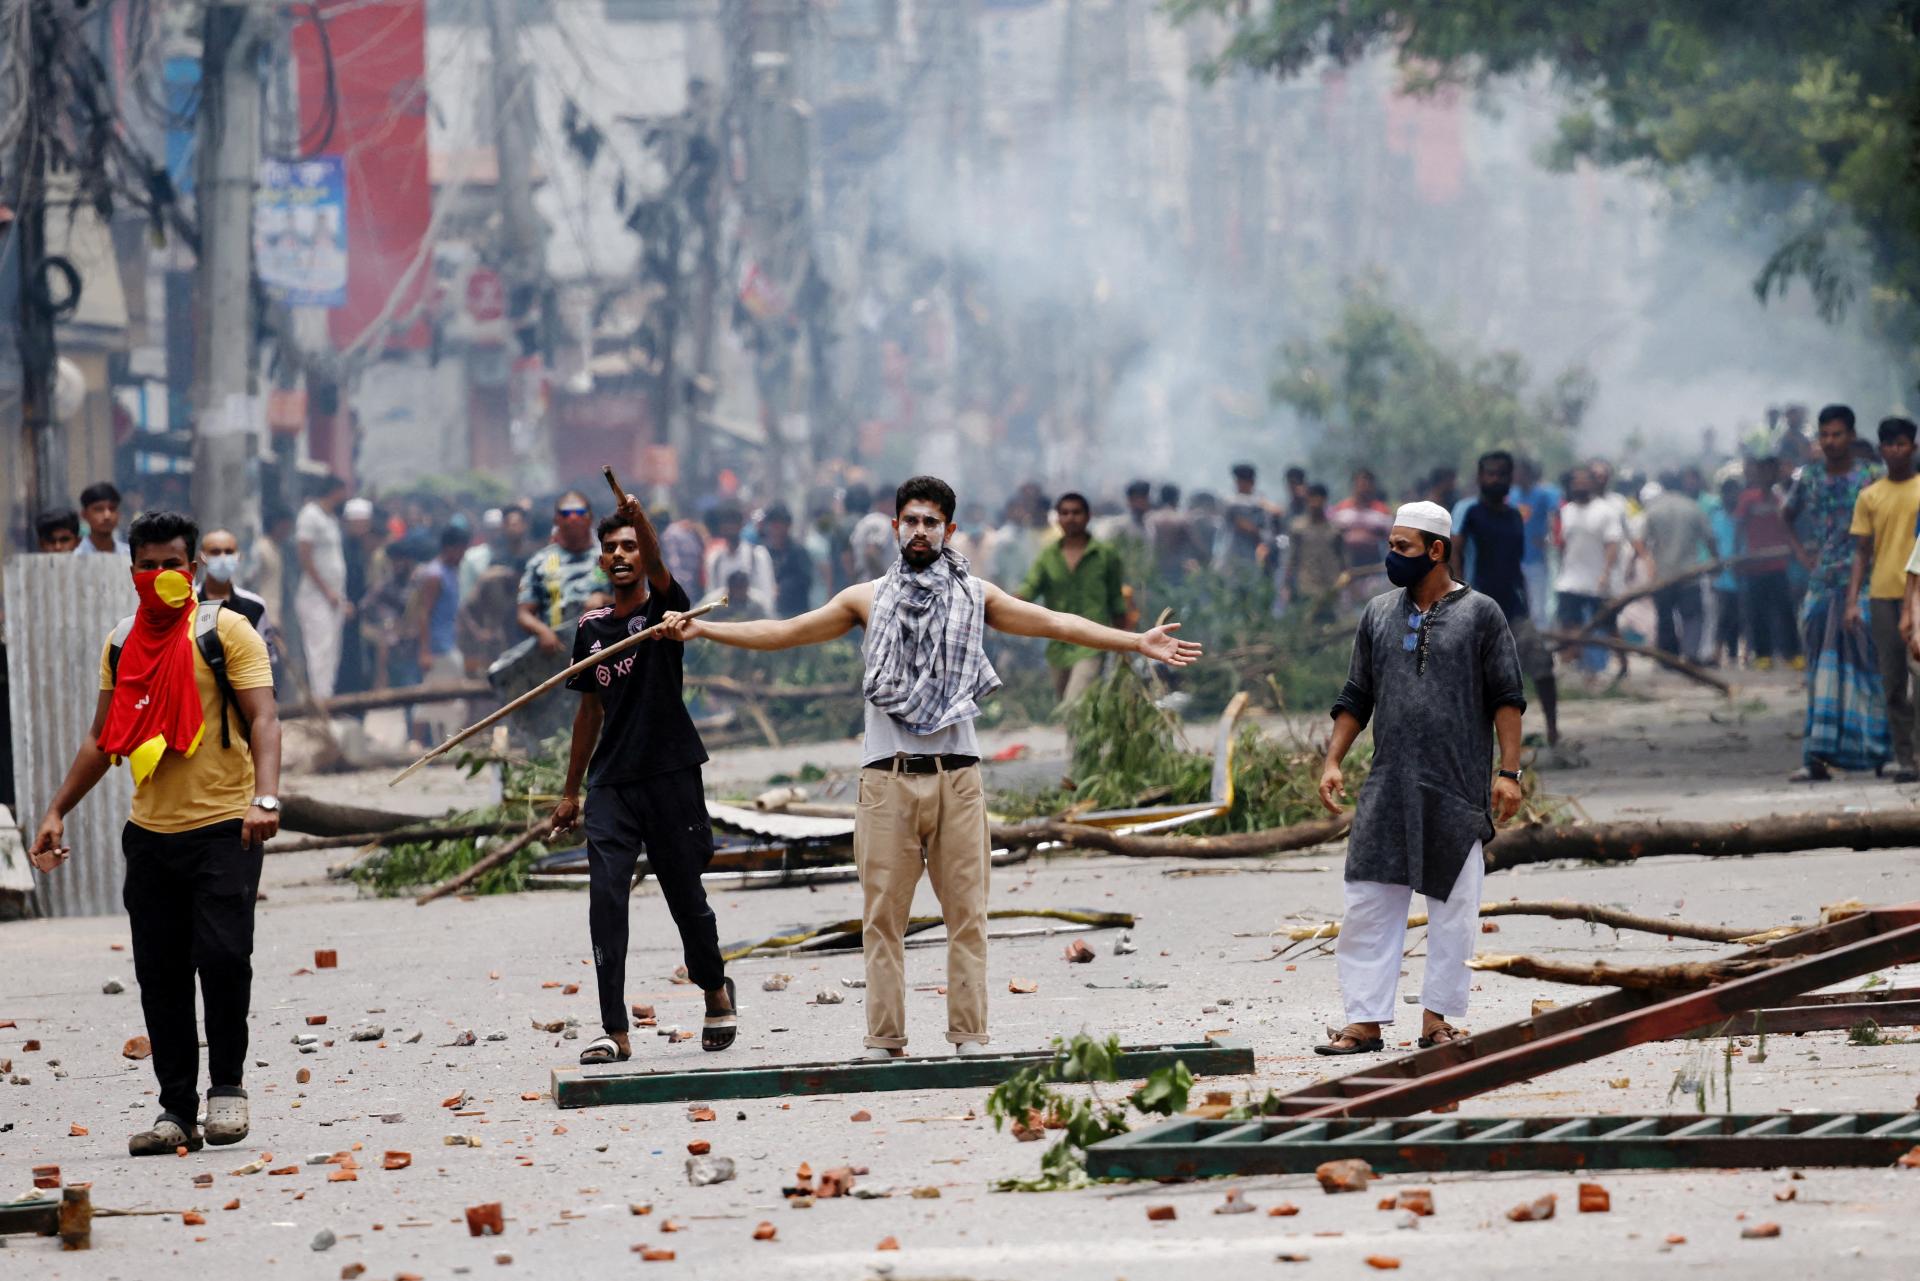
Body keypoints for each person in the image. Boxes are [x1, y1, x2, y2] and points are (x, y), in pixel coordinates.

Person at [663, 476, 1200, 1059]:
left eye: (931, 521)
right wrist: (704, 628)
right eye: (911, 520)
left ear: (949, 530)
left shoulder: (978, 595)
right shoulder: (862, 599)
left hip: (958, 778)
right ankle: (884, 1040)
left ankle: (968, 1037)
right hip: (885, 779)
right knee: (882, 920)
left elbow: (1054, 622)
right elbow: (786, 632)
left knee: (966, 916)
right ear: (896, 528)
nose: (920, 530)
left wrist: (1134, 642)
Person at [28, 511, 281, 1154]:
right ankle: (176, 1109)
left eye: (173, 564)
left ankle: (227, 1090)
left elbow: (265, 721)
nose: (161, 575)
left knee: (224, 958)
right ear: (131, 570)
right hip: (150, 833)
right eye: (148, 565)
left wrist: (266, 798)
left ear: (192, 569)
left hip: (227, 826)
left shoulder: (227, 632)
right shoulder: (121, 641)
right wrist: (59, 808)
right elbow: (101, 737)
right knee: (160, 974)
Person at [1314, 501, 1525, 1056]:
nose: (1391, 556)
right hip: (1387, 787)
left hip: (1454, 789)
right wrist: (1333, 759)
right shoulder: (1379, 614)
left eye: (1402, 547)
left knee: (1454, 911)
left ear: (1436, 550)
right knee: (1367, 902)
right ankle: (1363, 1022)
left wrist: (1509, 772)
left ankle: (1438, 1020)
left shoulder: (1483, 614)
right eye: (1390, 545)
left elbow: (1507, 697)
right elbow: (1357, 694)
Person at [548, 497, 736, 1064]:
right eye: (612, 549)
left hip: (671, 775)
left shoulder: (665, 616)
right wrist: (570, 790)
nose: (620, 554)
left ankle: (715, 990)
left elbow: (659, 570)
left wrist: (641, 518)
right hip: (612, 783)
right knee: (606, 897)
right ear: (602, 562)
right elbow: (588, 714)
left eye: (629, 545)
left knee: (685, 897)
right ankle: (614, 1029)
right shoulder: (591, 630)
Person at [1783, 404, 1889, 781]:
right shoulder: (1809, 477)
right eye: (1824, 435)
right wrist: (1804, 556)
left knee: (1869, 666)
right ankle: (1817, 754)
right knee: (1820, 670)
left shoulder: (1873, 476)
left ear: (1851, 436)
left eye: (1837, 434)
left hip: (1869, 581)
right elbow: (1787, 515)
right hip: (1824, 583)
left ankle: (1881, 752)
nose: (1830, 442)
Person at [1453, 452, 1559, 748]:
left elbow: (1515, 564)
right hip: (1475, 605)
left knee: (1541, 663)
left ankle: (1553, 731)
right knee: (1475, 676)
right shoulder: (1469, 513)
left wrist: (1525, 601)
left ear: (1510, 478)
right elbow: (1455, 553)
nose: (1495, 479)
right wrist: (1458, 596)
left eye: (1501, 474)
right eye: (1490, 474)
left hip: (1512, 607)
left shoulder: (1514, 516)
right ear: (1480, 478)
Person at [1847, 417, 1920, 781]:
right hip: (1881, 595)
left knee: (1919, 675)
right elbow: (1862, 551)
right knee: (1892, 680)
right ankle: (1905, 756)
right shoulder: (1870, 496)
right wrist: (1851, 600)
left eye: (1902, 444)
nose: (1895, 451)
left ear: (1914, 448)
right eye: (1889, 445)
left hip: (1918, 596)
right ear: (1881, 450)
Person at [1018, 491, 1129, 707]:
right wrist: (1002, 602)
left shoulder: (1106, 554)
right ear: (1057, 518)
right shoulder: (1048, 556)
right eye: (1065, 513)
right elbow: (1029, 588)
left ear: (1088, 516)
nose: (1070, 518)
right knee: (1067, 706)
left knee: (1074, 702)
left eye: (1076, 512)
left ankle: (1074, 742)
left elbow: (1116, 599)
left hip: (1093, 640)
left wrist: (1124, 642)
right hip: (1059, 643)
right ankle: (1084, 741)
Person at [1552, 466, 1627, 679]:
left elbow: (1613, 544)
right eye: (1576, 482)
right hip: (1570, 579)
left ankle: (1623, 663)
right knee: (1568, 624)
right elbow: (1562, 544)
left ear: (1593, 484)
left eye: (1584, 482)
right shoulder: (1566, 512)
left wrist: (1606, 572)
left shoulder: (1605, 511)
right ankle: (1573, 664)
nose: (1580, 486)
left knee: (1607, 625)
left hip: (1598, 580)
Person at [517, 491, 610, 654]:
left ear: (590, 517)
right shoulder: (540, 562)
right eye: (566, 513)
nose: (573, 518)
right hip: (558, 650)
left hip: (604, 645)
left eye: (579, 513)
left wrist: (605, 599)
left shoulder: (609, 555)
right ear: (556, 520)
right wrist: (542, 631)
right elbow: (524, 613)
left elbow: (637, 600)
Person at [1640, 472, 1716, 660]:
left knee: (1665, 617)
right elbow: (1709, 538)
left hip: (1663, 574)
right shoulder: (1693, 508)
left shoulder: (1654, 510)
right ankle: (1691, 653)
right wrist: (1716, 559)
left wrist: (1649, 562)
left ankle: (1668, 657)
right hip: (1689, 574)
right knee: (1693, 616)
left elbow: (1642, 541)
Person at [1733, 458, 1800, 668]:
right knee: (1758, 612)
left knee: (1785, 611)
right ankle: (1763, 655)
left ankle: (1793, 654)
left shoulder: (1780, 497)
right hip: (1755, 566)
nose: (1768, 476)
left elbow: (1788, 528)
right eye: (1764, 471)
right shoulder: (1748, 499)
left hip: (1778, 565)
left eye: (1772, 471)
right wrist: (1737, 557)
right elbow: (1739, 529)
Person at [294, 474, 352, 700]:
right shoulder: (310, 515)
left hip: (334, 596)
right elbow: (305, 556)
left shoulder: (331, 519)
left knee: (332, 651)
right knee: (319, 648)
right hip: (315, 595)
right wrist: (325, 589)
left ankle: (327, 696)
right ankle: (319, 699)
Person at [410, 527, 470, 745]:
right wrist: (425, 650)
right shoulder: (434, 574)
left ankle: (444, 740)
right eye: (462, 550)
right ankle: (418, 740)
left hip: (448, 642)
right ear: (450, 548)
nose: (463, 556)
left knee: (445, 696)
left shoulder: (451, 572)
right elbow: (424, 613)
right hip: (437, 646)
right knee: (433, 694)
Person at [703, 503, 776, 615]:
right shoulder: (715, 559)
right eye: (726, 523)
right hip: (724, 623)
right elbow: (712, 596)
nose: (729, 527)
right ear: (720, 527)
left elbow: (767, 596)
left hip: (752, 622)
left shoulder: (757, 555)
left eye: (734, 522)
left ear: (741, 525)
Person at [1286, 484, 1346, 619]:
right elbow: (1292, 558)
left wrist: (1342, 583)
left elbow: (1343, 560)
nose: (1315, 503)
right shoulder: (1298, 528)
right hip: (1306, 586)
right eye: (1311, 499)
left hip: (1330, 587)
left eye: (1318, 499)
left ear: (1324, 500)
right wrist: (1288, 585)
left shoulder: (1335, 530)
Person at [1708, 475, 1745, 665]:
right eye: (1727, 494)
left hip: (1744, 573)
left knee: (1741, 616)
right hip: (1723, 576)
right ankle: (1717, 653)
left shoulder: (1744, 518)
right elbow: (1711, 544)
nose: (1731, 498)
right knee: (1723, 616)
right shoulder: (1717, 517)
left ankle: (1738, 654)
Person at [1330, 468, 1394, 570]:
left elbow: (1391, 542)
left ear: (1373, 487)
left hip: (1375, 568)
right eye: (1360, 484)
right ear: (1353, 486)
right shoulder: (1340, 510)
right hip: (1347, 569)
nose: (1363, 488)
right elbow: (1333, 539)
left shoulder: (1382, 511)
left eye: (1367, 484)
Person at [760, 504, 815, 618]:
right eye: (772, 524)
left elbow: (806, 579)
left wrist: (782, 588)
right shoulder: (761, 552)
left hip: (795, 613)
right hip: (767, 614)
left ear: (788, 525)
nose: (776, 528)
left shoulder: (798, 552)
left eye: (780, 524)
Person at [74, 481, 129, 557]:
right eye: (99, 509)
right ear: (84, 514)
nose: (107, 516)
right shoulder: (76, 557)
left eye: (112, 509)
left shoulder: (129, 556)